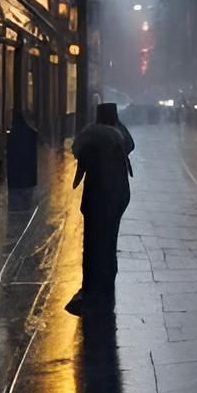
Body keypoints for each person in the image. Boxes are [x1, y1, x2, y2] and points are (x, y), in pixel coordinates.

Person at [67, 103, 134, 314]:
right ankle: (106, 287)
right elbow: (130, 145)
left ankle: (92, 288)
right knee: (109, 243)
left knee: (92, 245)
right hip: (116, 197)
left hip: (95, 199)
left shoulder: (91, 135)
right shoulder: (118, 136)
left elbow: (76, 149)